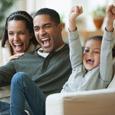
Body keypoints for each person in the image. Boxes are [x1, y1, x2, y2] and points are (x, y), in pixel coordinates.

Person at [0, 8, 71, 115]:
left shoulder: (73, 54)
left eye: (47, 26)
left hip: (45, 108)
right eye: (37, 28)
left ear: (60, 27)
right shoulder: (22, 59)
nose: (42, 32)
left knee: (20, 78)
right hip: (20, 110)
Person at [61, 4, 115, 92]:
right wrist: (71, 20)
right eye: (86, 50)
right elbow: (74, 45)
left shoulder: (103, 75)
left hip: (72, 105)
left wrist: (109, 21)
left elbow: (106, 49)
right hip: (55, 102)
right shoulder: (77, 67)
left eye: (96, 52)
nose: (89, 54)